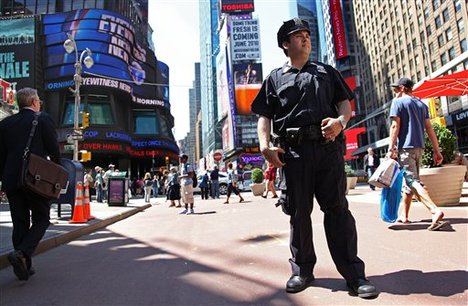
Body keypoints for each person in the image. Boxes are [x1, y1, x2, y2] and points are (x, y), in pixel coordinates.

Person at [251, 18, 377, 298]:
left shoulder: (326, 72)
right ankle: (302, 271)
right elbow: (264, 117)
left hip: (327, 149)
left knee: (337, 211)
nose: (306, 39)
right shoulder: (274, 77)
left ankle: (354, 275)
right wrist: (264, 145)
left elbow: (345, 103)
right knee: (298, 214)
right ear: (286, 44)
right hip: (293, 154)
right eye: (298, 36)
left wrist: (341, 122)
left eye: (307, 34)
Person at [0, 87, 61, 281]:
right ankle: (22, 254)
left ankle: (25, 265)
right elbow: (54, 150)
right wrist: (57, 171)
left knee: (19, 222)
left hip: (11, 179)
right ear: (34, 102)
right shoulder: (42, 119)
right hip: (36, 178)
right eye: (39, 100)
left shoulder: (5, 123)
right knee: (42, 219)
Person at [386, 77, 447, 230]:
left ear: (401, 88)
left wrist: (390, 148)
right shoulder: (421, 104)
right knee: (410, 183)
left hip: (406, 148)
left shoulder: (397, 103)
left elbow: (395, 126)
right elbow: (429, 128)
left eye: (395, 89)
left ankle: (434, 210)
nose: (394, 92)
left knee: (412, 181)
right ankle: (404, 216)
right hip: (420, 147)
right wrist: (436, 150)